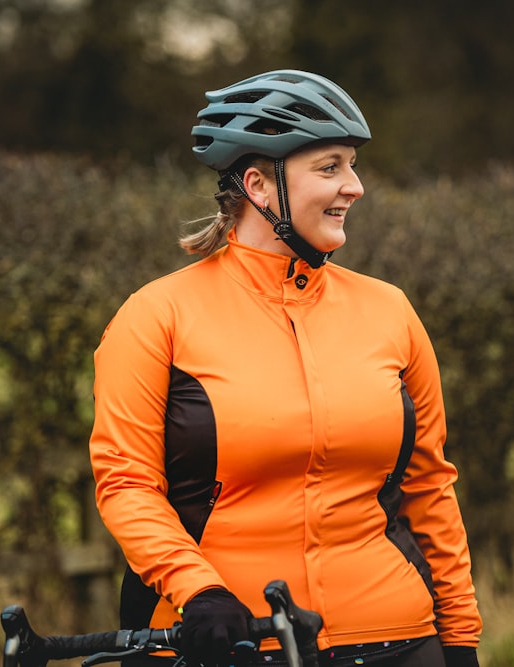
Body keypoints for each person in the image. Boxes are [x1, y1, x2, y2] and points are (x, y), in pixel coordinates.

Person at [89, 69, 482, 667]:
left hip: (397, 637)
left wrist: (459, 638)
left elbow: (429, 488)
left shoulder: (390, 311)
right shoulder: (156, 317)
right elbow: (127, 485)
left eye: (351, 165)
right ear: (259, 185)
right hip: (228, 640)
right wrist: (198, 591)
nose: (354, 186)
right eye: (330, 167)